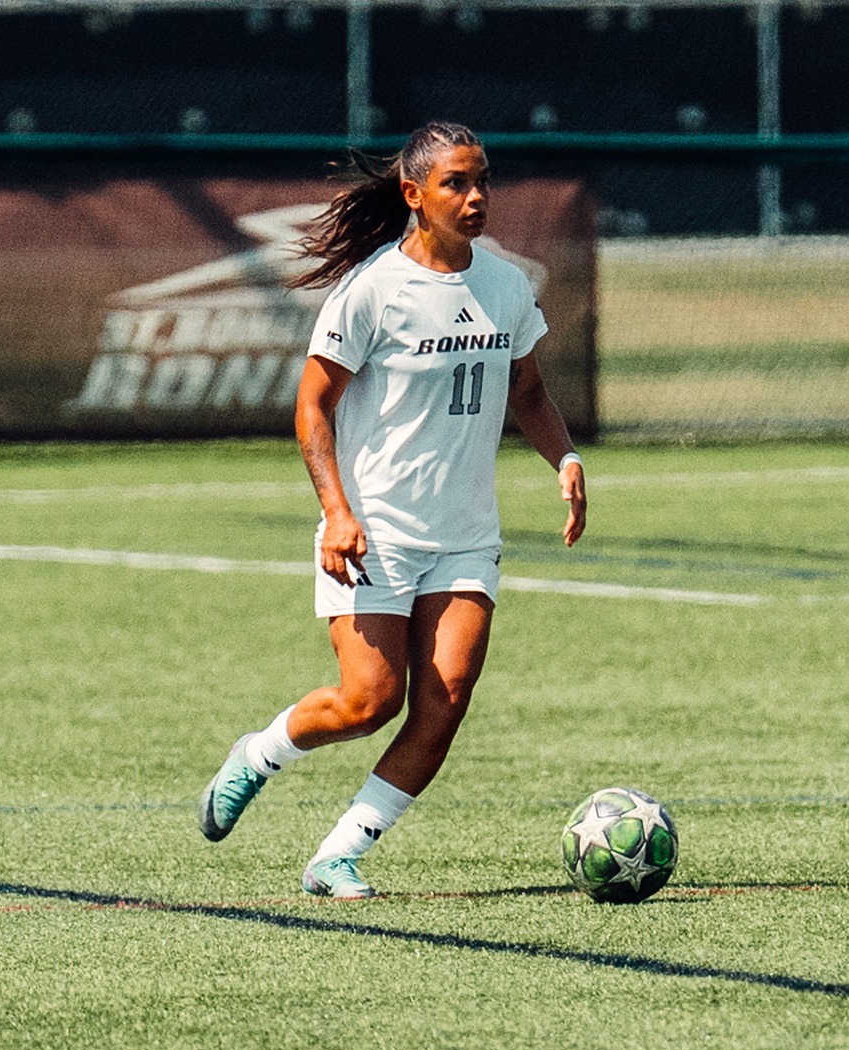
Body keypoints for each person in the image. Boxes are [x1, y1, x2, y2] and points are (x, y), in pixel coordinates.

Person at [196, 121, 588, 898]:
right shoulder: (373, 288)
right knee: (368, 701)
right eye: (456, 184)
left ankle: (336, 855)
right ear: (414, 195)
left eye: (482, 180)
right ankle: (260, 753)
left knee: (443, 705)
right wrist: (337, 513)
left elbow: (530, 391)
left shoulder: (507, 286)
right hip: (375, 532)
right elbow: (312, 407)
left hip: (466, 539)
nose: (475, 197)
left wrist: (566, 458)